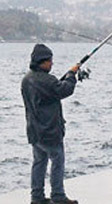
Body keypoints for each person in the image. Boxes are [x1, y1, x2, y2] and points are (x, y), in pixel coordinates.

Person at [21, 44, 80, 204]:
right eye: (50, 61)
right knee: (57, 161)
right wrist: (71, 75)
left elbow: (49, 93)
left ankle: (37, 197)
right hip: (49, 132)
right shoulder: (46, 80)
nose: (52, 63)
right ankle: (58, 196)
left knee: (39, 162)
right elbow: (64, 90)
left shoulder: (27, 79)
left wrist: (67, 76)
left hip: (35, 131)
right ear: (42, 62)